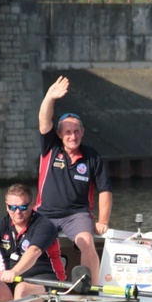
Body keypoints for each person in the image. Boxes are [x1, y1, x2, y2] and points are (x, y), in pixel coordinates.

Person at [36, 75, 112, 285]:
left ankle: (92, 287)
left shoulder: (92, 155)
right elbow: (44, 119)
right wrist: (50, 97)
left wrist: (103, 221)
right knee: (31, 244)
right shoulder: (50, 147)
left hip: (76, 215)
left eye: (76, 131)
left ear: (83, 132)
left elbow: (104, 190)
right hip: (45, 213)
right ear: (59, 134)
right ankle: (27, 284)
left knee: (86, 242)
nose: (72, 136)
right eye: (68, 132)